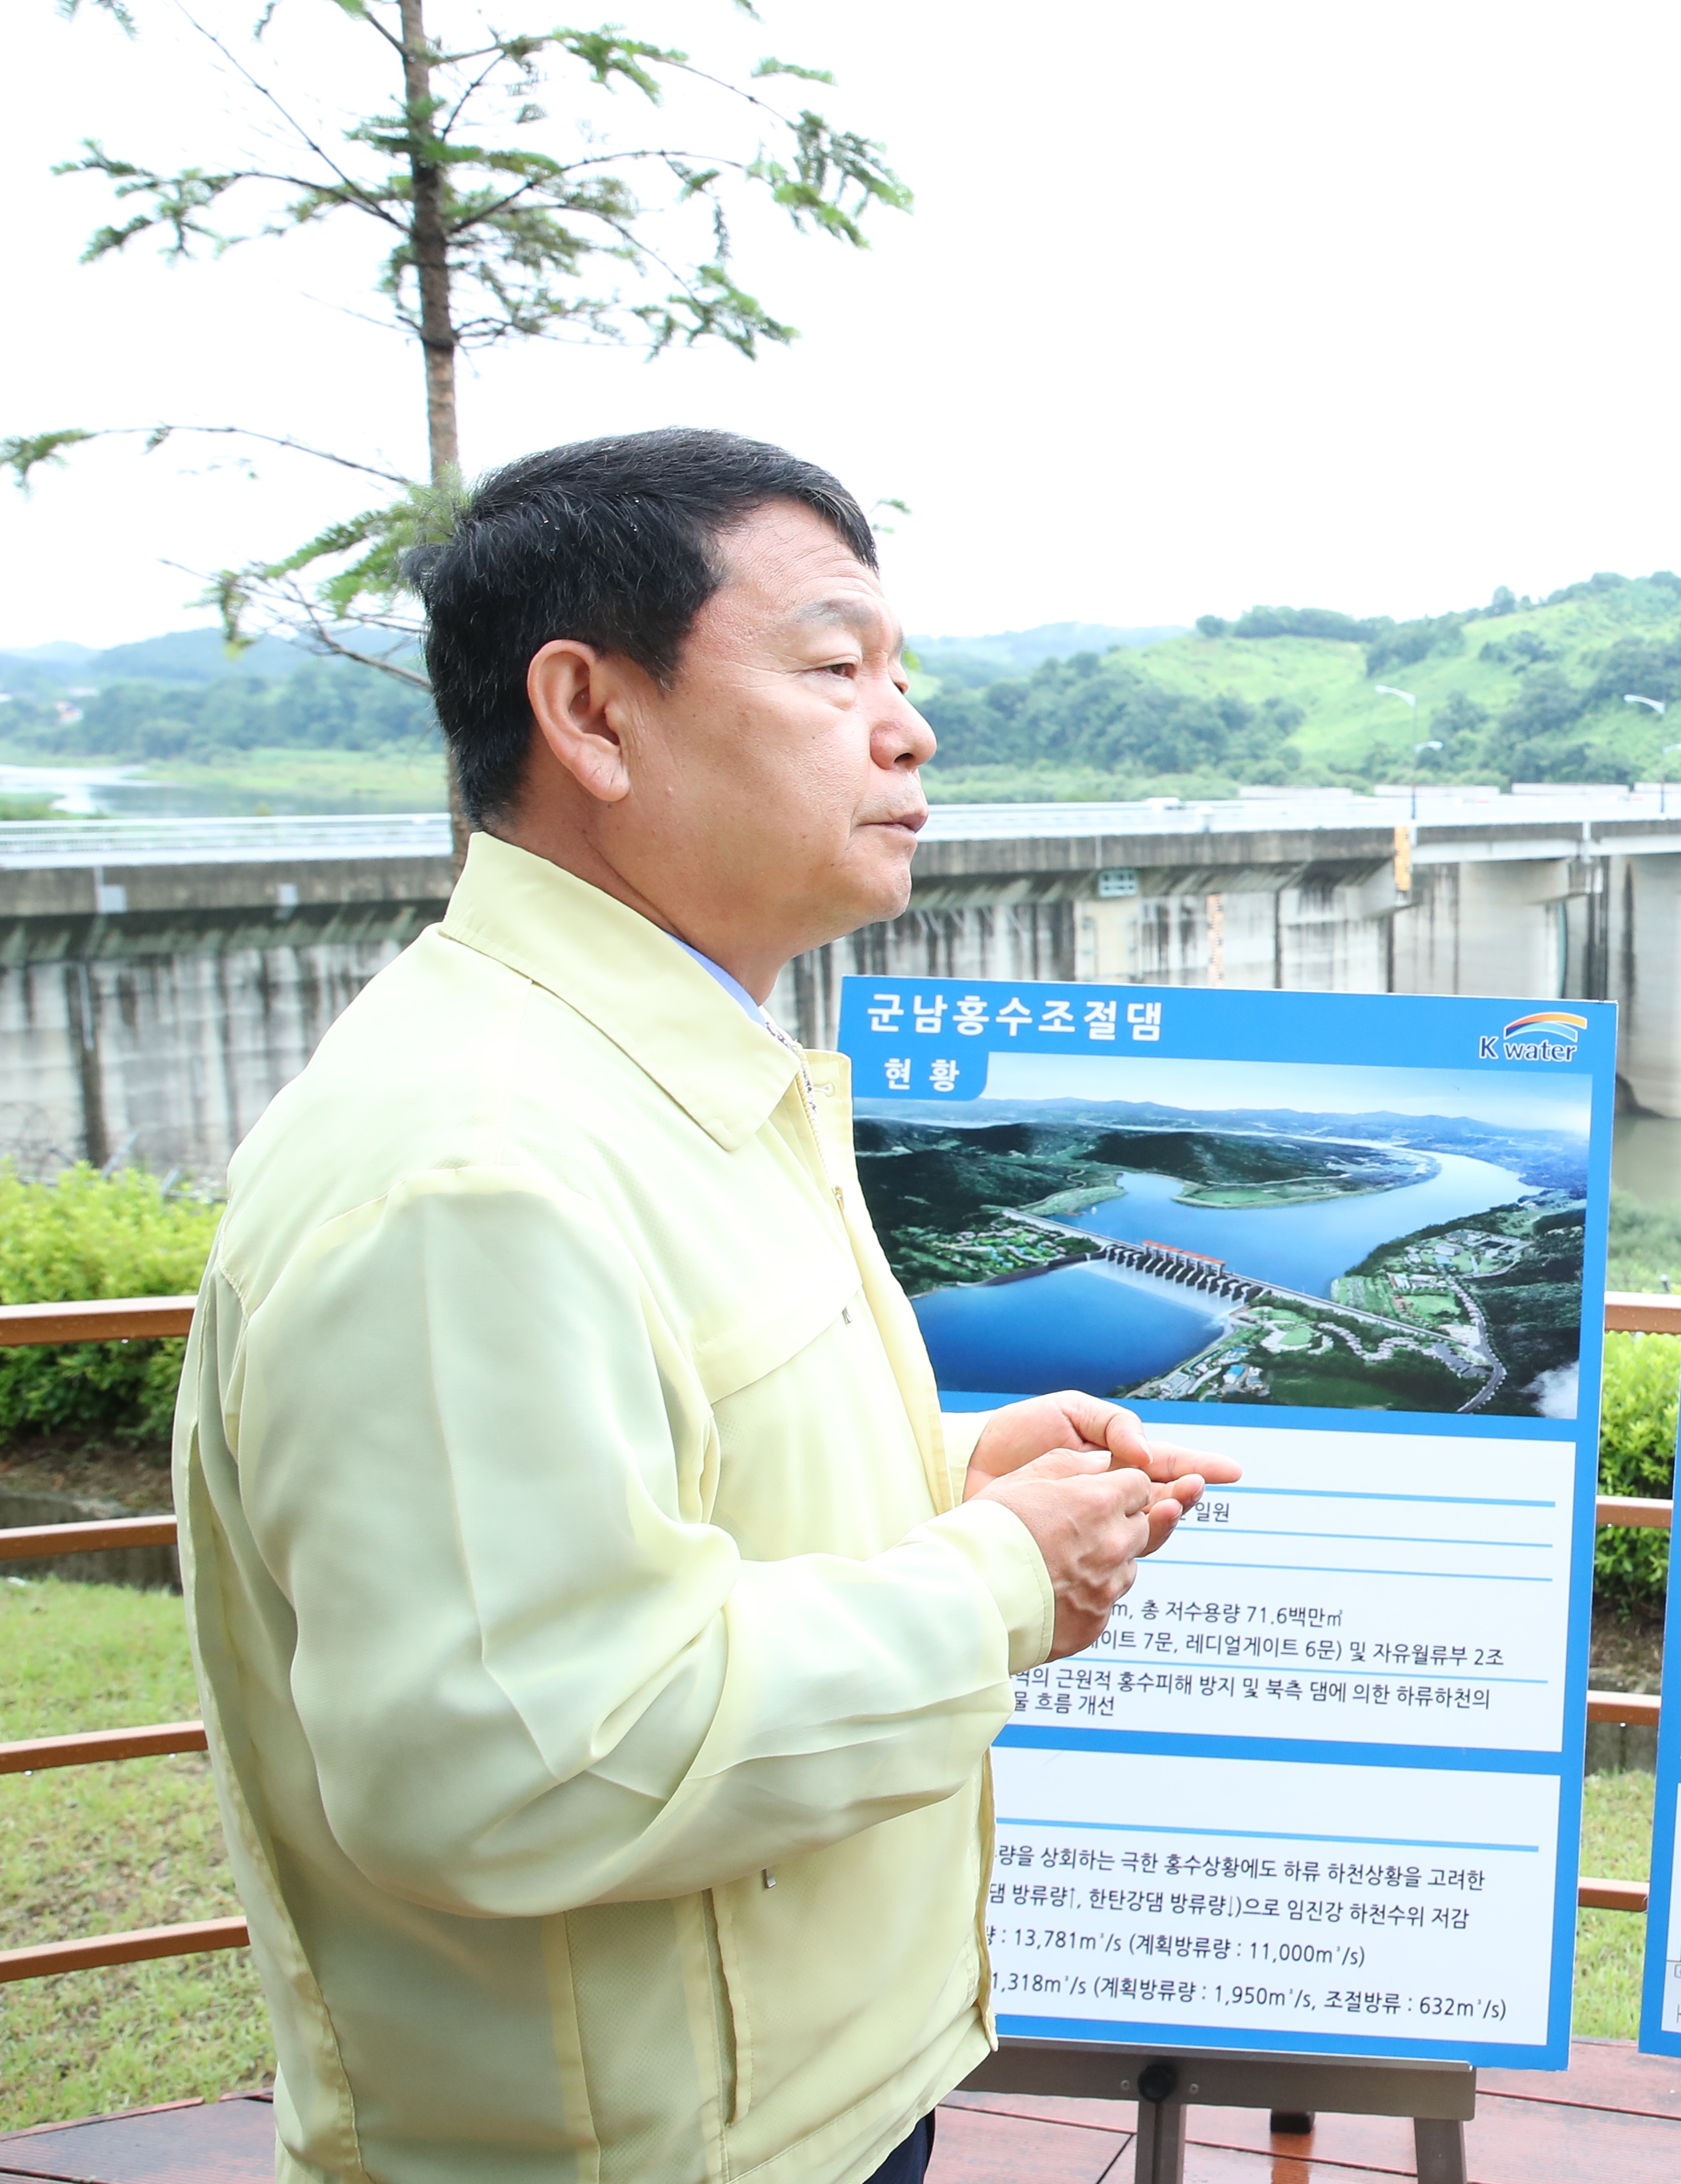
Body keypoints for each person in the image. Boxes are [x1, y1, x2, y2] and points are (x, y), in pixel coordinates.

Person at [171, 429, 1238, 2184]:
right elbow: (518, 1762)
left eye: (901, 675)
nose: (910, 729)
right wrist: (996, 1580)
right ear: (591, 715)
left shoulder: (656, 1073)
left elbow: (661, 1492)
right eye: (835, 668)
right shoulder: (479, 1164)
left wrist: (948, 1477)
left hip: (796, 2110)